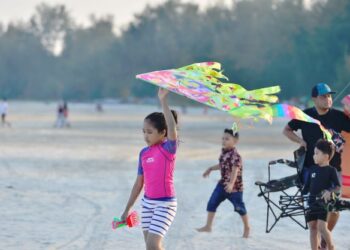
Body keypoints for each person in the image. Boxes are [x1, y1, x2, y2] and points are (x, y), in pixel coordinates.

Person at [283, 83, 350, 235]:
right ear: (315, 99)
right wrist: (300, 141)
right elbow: (286, 130)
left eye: (329, 96)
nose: (328, 99)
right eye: (323, 96)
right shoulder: (304, 115)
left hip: (334, 170)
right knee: (314, 215)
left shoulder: (338, 116)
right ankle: (318, 241)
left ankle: (326, 237)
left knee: (333, 208)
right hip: (310, 170)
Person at [121, 88, 178, 250]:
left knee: (153, 245)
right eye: (144, 132)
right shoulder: (144, 153)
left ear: (162, 133)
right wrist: (127, 209)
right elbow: (139, 184)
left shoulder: (168, 150)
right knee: (151, 246)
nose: (146, 136)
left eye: (150, 132)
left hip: (165, 204)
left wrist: (163, 101)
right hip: (147, 204)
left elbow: (173, 130)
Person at [196, 128, 250, 238]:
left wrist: (230, 184)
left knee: (239, 208)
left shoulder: (236, 156)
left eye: (227, 139)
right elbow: (222, 165)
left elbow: (235, 170)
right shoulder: (224, 153)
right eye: (223, 138)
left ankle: (247, 227)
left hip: (235, 188)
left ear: (235, 141)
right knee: (212, 203)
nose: (224, 141)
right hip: (222, 185)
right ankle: (208, 226)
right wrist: (210, 168)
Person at [301, 139, 340, 250]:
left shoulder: (331, 170)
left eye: (316, 153)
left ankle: (331, 247)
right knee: (312, 229)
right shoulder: (312, 169)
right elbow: (307, 187)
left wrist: (329, 191)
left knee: (322, 228)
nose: (314, 156)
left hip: (323, 204)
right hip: (311, 203)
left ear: (326, 156)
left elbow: (337, 187)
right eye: (314, 153)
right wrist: (301, 194)